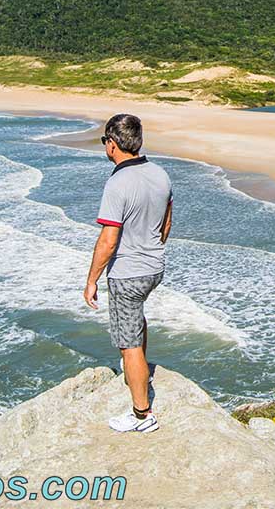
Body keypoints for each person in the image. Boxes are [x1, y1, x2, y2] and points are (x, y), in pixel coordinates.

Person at [83, 113, 173, 433]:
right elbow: (166, 223)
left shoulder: (117, 182)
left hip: (127, 273)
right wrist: (151, 248)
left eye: (105, 142)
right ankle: (140, 370)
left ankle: (142, 414)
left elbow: (108, 240)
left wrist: (91, 280)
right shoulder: (160, 174)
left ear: (112, 144)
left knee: (128, 341)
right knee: (137, 318)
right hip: (154, 267)